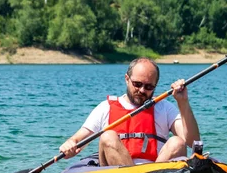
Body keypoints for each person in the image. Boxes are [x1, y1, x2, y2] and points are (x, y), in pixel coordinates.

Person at [59, 57, 200, 166]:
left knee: (177, 142)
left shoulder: (164, 108)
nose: (142, 90)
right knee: (108, 136)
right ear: (127, 79)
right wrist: (70, 144)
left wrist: (183, 102)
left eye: (149, 87)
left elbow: (192, 141)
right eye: (137, 84)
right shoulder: (105, 108)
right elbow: (77, 140)